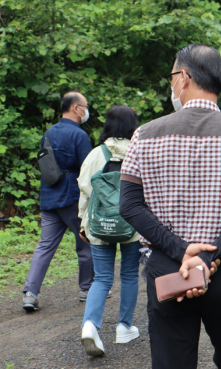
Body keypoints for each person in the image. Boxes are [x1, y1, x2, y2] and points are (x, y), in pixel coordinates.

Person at [119, 44, 221, 369]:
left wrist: (182, 250)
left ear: (184, 77)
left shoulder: (144, 136)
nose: (172, 83)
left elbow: (129, 206)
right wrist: (207, 256)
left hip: (169, 269)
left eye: (173, 75)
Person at [78, 106, 141, 357]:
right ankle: (124, 327)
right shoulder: (139, 152)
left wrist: (84, 222)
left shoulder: (96, 154)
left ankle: (90, 325)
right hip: (133, 225)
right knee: (129, 275)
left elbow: (84, 190)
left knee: (102, 278)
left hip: (100, 225)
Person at [23, 92, 94, 312]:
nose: (86, 109)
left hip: (49, 196)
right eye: (85, 106)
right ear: (75, 108)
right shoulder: (79, 135)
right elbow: (87, 169)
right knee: (85, 243)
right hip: (72, 197)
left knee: (45, 246)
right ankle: (86, 289)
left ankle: (30, 294)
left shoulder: (49, 132)